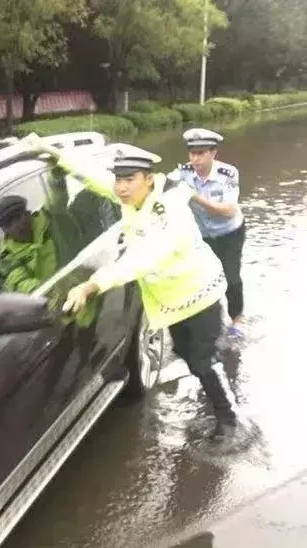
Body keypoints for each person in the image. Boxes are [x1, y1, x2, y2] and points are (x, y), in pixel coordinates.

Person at [22, 135, 239, 440]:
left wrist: (91, 285)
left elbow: (142, 258)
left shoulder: (168, 209)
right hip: (171, 301)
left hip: (199, 294)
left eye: (129, 179)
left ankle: (229, 421)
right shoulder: (133, 199)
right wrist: (55, 154)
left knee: (204, 361)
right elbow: (96, 177)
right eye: (118, 180)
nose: (121, 187)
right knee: (186, 354)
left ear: (148, 180)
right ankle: (213, 392)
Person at [175, 128, 246, 338]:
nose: (195, 159)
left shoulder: (228, 174)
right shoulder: (182, 174)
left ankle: (237, 320)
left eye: (201, 153)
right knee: (201, 279)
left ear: (213, 153)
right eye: (192, 153)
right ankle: (208, 323)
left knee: (231, 278)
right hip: (200, 235)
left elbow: (228, 211)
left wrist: (195, 197)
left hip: (229, 233)